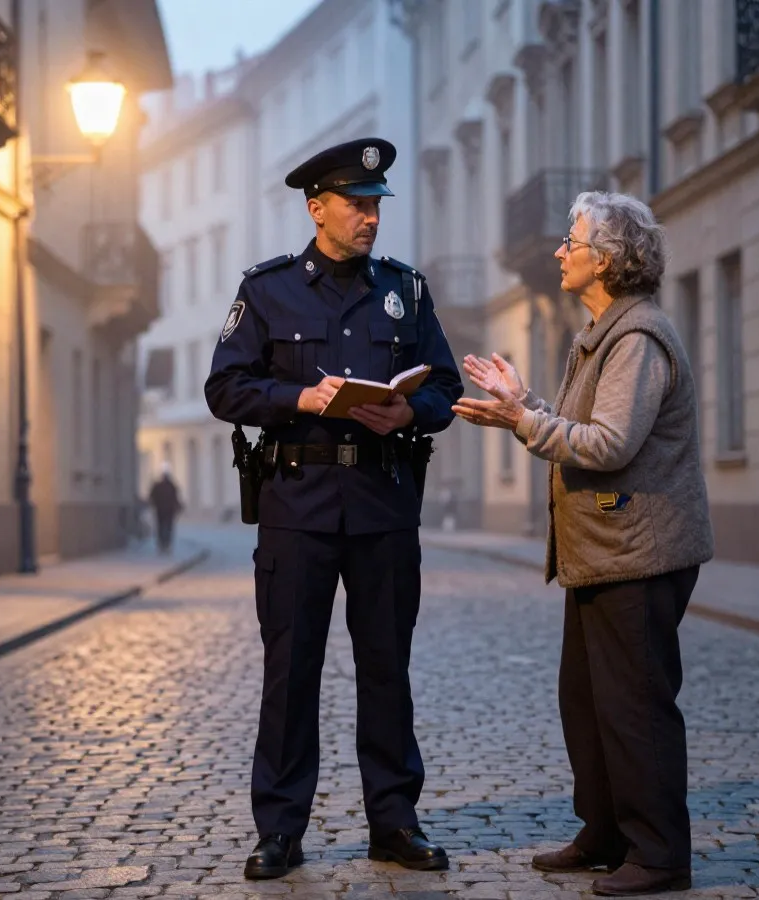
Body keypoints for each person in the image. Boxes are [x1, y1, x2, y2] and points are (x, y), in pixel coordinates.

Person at [205, 138, 464, 880]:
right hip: (297, 508)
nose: (371, 219)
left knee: (388, 668)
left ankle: (394, 821)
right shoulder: (267, 291)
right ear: (317, 207)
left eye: (377, 205)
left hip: (383, 506)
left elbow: (444, 390)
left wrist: (408, 413)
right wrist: (298, 398)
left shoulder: (405, 292)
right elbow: (224, 389)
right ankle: (281, 829)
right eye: (356, 205)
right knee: (291, 672)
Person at [452, 191, 713, 896]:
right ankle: (605, 832)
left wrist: (521, 421)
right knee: (588, 701)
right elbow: (580, 430)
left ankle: (659, 854)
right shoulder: (601, 334)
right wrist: (525, 403)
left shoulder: (636, 339)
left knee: (635, 705)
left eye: (573, 241)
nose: (562, 250)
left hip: (639, 553)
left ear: (607, 259)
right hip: (603, 551)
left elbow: (608, 443)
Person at [148, 463, 183, 554]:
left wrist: (153, 504)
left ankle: (163, 544)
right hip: (168, 510)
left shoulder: (159, 486)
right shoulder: (171, 486)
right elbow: (176, 498)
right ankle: (165, 544)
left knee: (161, 527)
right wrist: (178, 506)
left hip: (161, 510)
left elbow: (152, 497)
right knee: (168, 527)